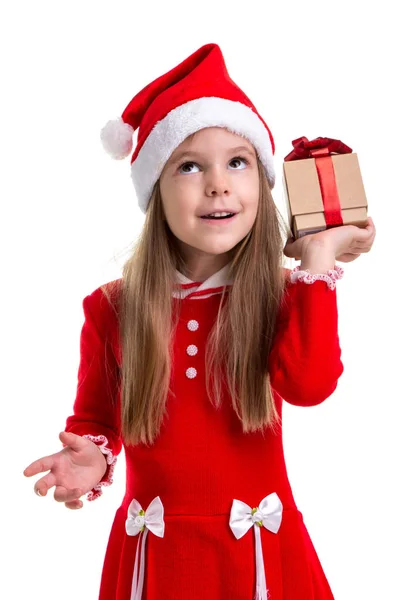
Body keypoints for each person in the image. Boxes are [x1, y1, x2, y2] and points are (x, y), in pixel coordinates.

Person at [23, 43, 376, 600]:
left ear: (260, 182)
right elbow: (96, 415)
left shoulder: (286, 293)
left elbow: (309, 385)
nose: (218, 184)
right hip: (156, 558)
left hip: (258, 553)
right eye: (189, 165)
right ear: (154, 190)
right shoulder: (111, 308)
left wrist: (316, 263)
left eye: (237, 161)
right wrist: (92, 454)